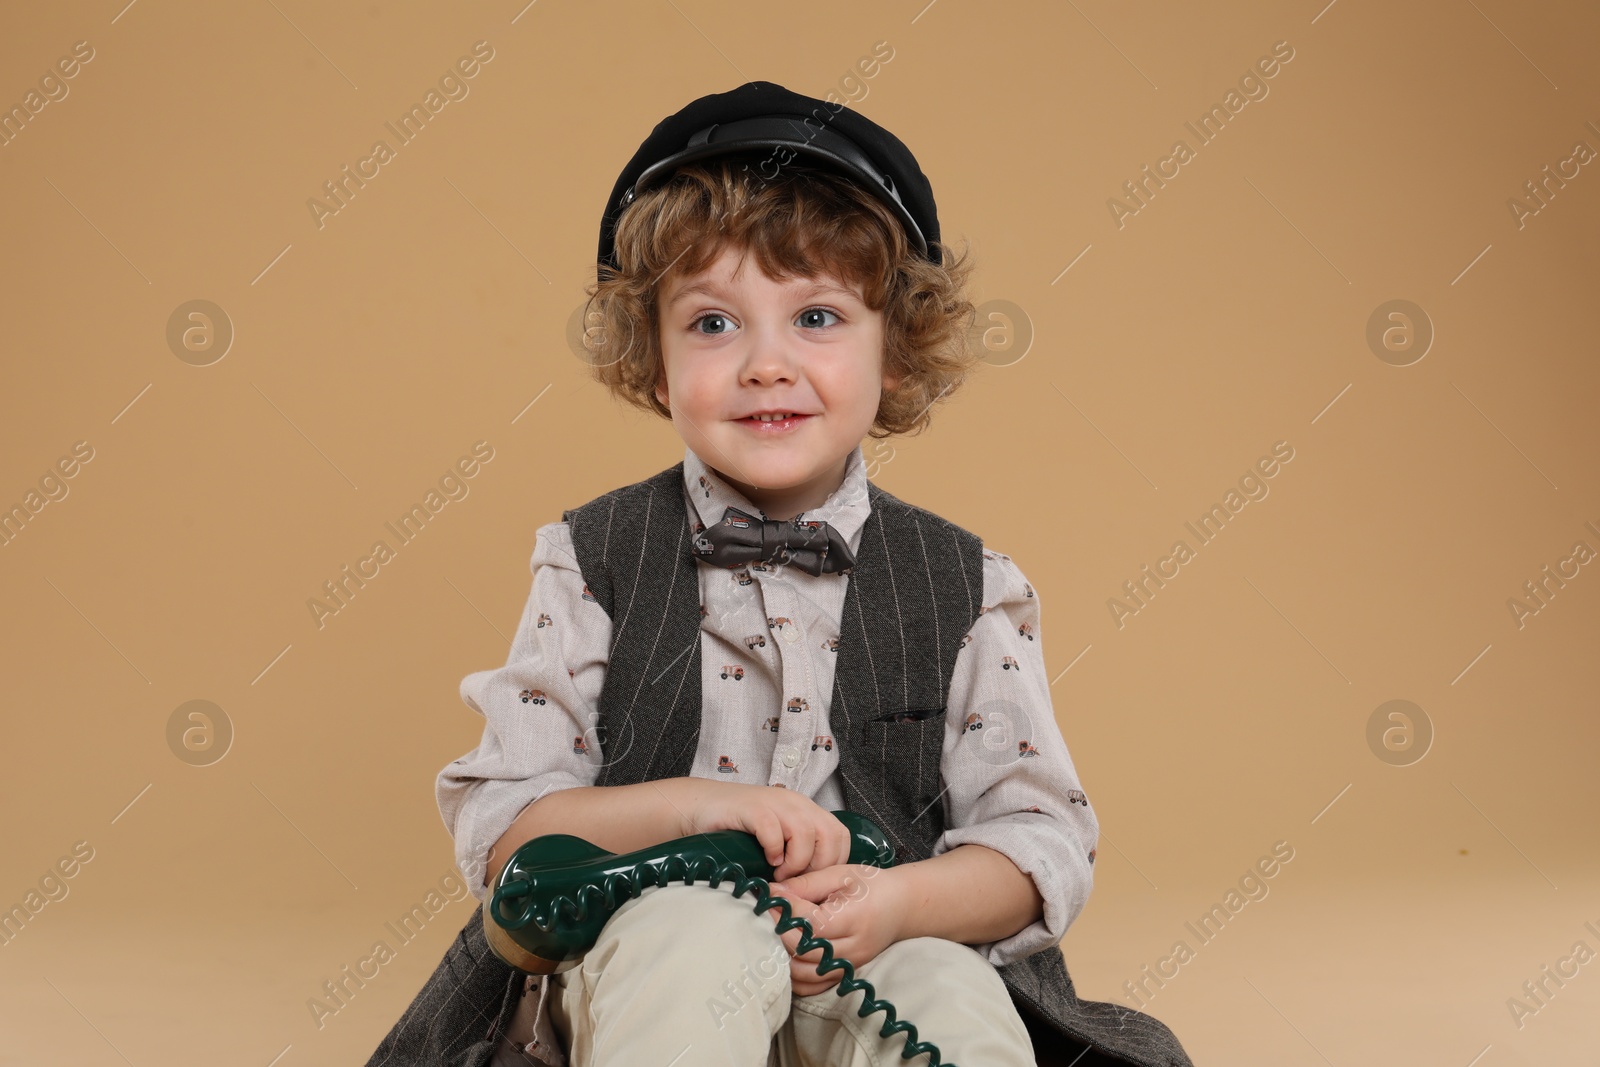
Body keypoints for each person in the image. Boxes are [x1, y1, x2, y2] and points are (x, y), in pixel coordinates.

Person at [365, 81, 1193, 1067]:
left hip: (885, 937)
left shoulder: (968, 584)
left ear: (892, 353)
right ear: (658, 364)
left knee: (954, 996)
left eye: (817, 317)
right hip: (645, 950)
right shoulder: (591, 560)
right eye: (714, 324)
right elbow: (506, 829)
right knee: (684, 945)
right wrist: (696, 808)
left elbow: (1038, 841)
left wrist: (900, 900)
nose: (765, 363)